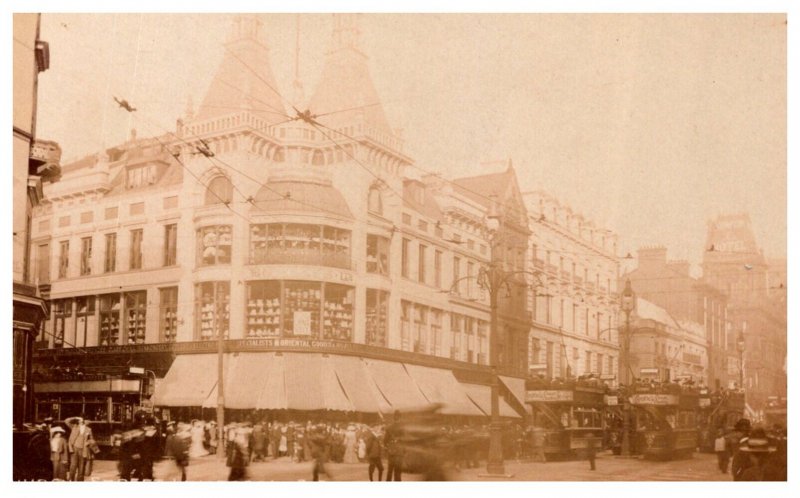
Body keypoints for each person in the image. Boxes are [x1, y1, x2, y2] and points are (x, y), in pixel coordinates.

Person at [67, 417, 91, 481]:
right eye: (79, 420)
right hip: (74, 448)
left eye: (82, 420)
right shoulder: (74, 427)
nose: (81, 422)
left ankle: (80, 481)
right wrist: (75, 417)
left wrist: (88, 442)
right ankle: (71, 480)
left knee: (81, 466)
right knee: (73, 466)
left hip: (83, 449)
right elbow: (66, 421)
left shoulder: (88, 429)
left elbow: (92, 439)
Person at [384, 411, 404, 481]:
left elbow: (385, 441)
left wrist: (388, 448)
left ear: (394, 417)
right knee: (398, 472)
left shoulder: (389, 427)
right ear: (400, 417)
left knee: (390, 470)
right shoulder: (403, 428)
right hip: (400, 452)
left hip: (391, 451)